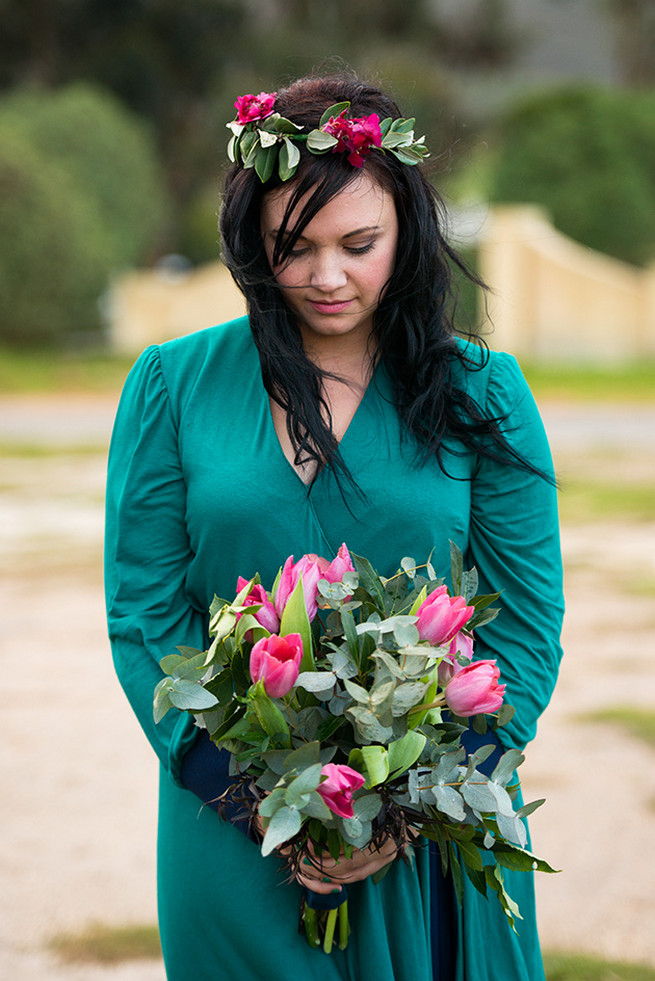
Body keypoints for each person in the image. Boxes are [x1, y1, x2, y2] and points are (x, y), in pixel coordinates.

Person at [105, 72, 564, 981]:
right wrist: (260, 801)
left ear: (407, 231)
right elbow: (144, 612)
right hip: (229, 828)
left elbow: (525, 625)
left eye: (358, 244)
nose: (326, 276)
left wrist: (394, 811)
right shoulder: (170, 384)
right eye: (293, 246)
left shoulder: (486, 391)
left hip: (433, 831)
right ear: (251, 245)